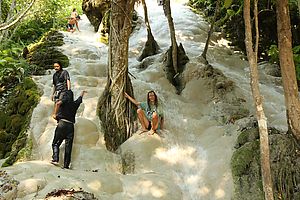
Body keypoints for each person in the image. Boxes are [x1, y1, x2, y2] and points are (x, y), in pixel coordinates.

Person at [51, 90, 87, 169]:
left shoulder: (63, 102)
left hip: (62, 124)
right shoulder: (74, 104)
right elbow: (79, 100)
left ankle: (55, 159)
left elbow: (57, 103)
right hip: (70, 126)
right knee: (68, 147)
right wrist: (82, 93)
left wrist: (54, 114)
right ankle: (66, 165)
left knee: (55, 143)